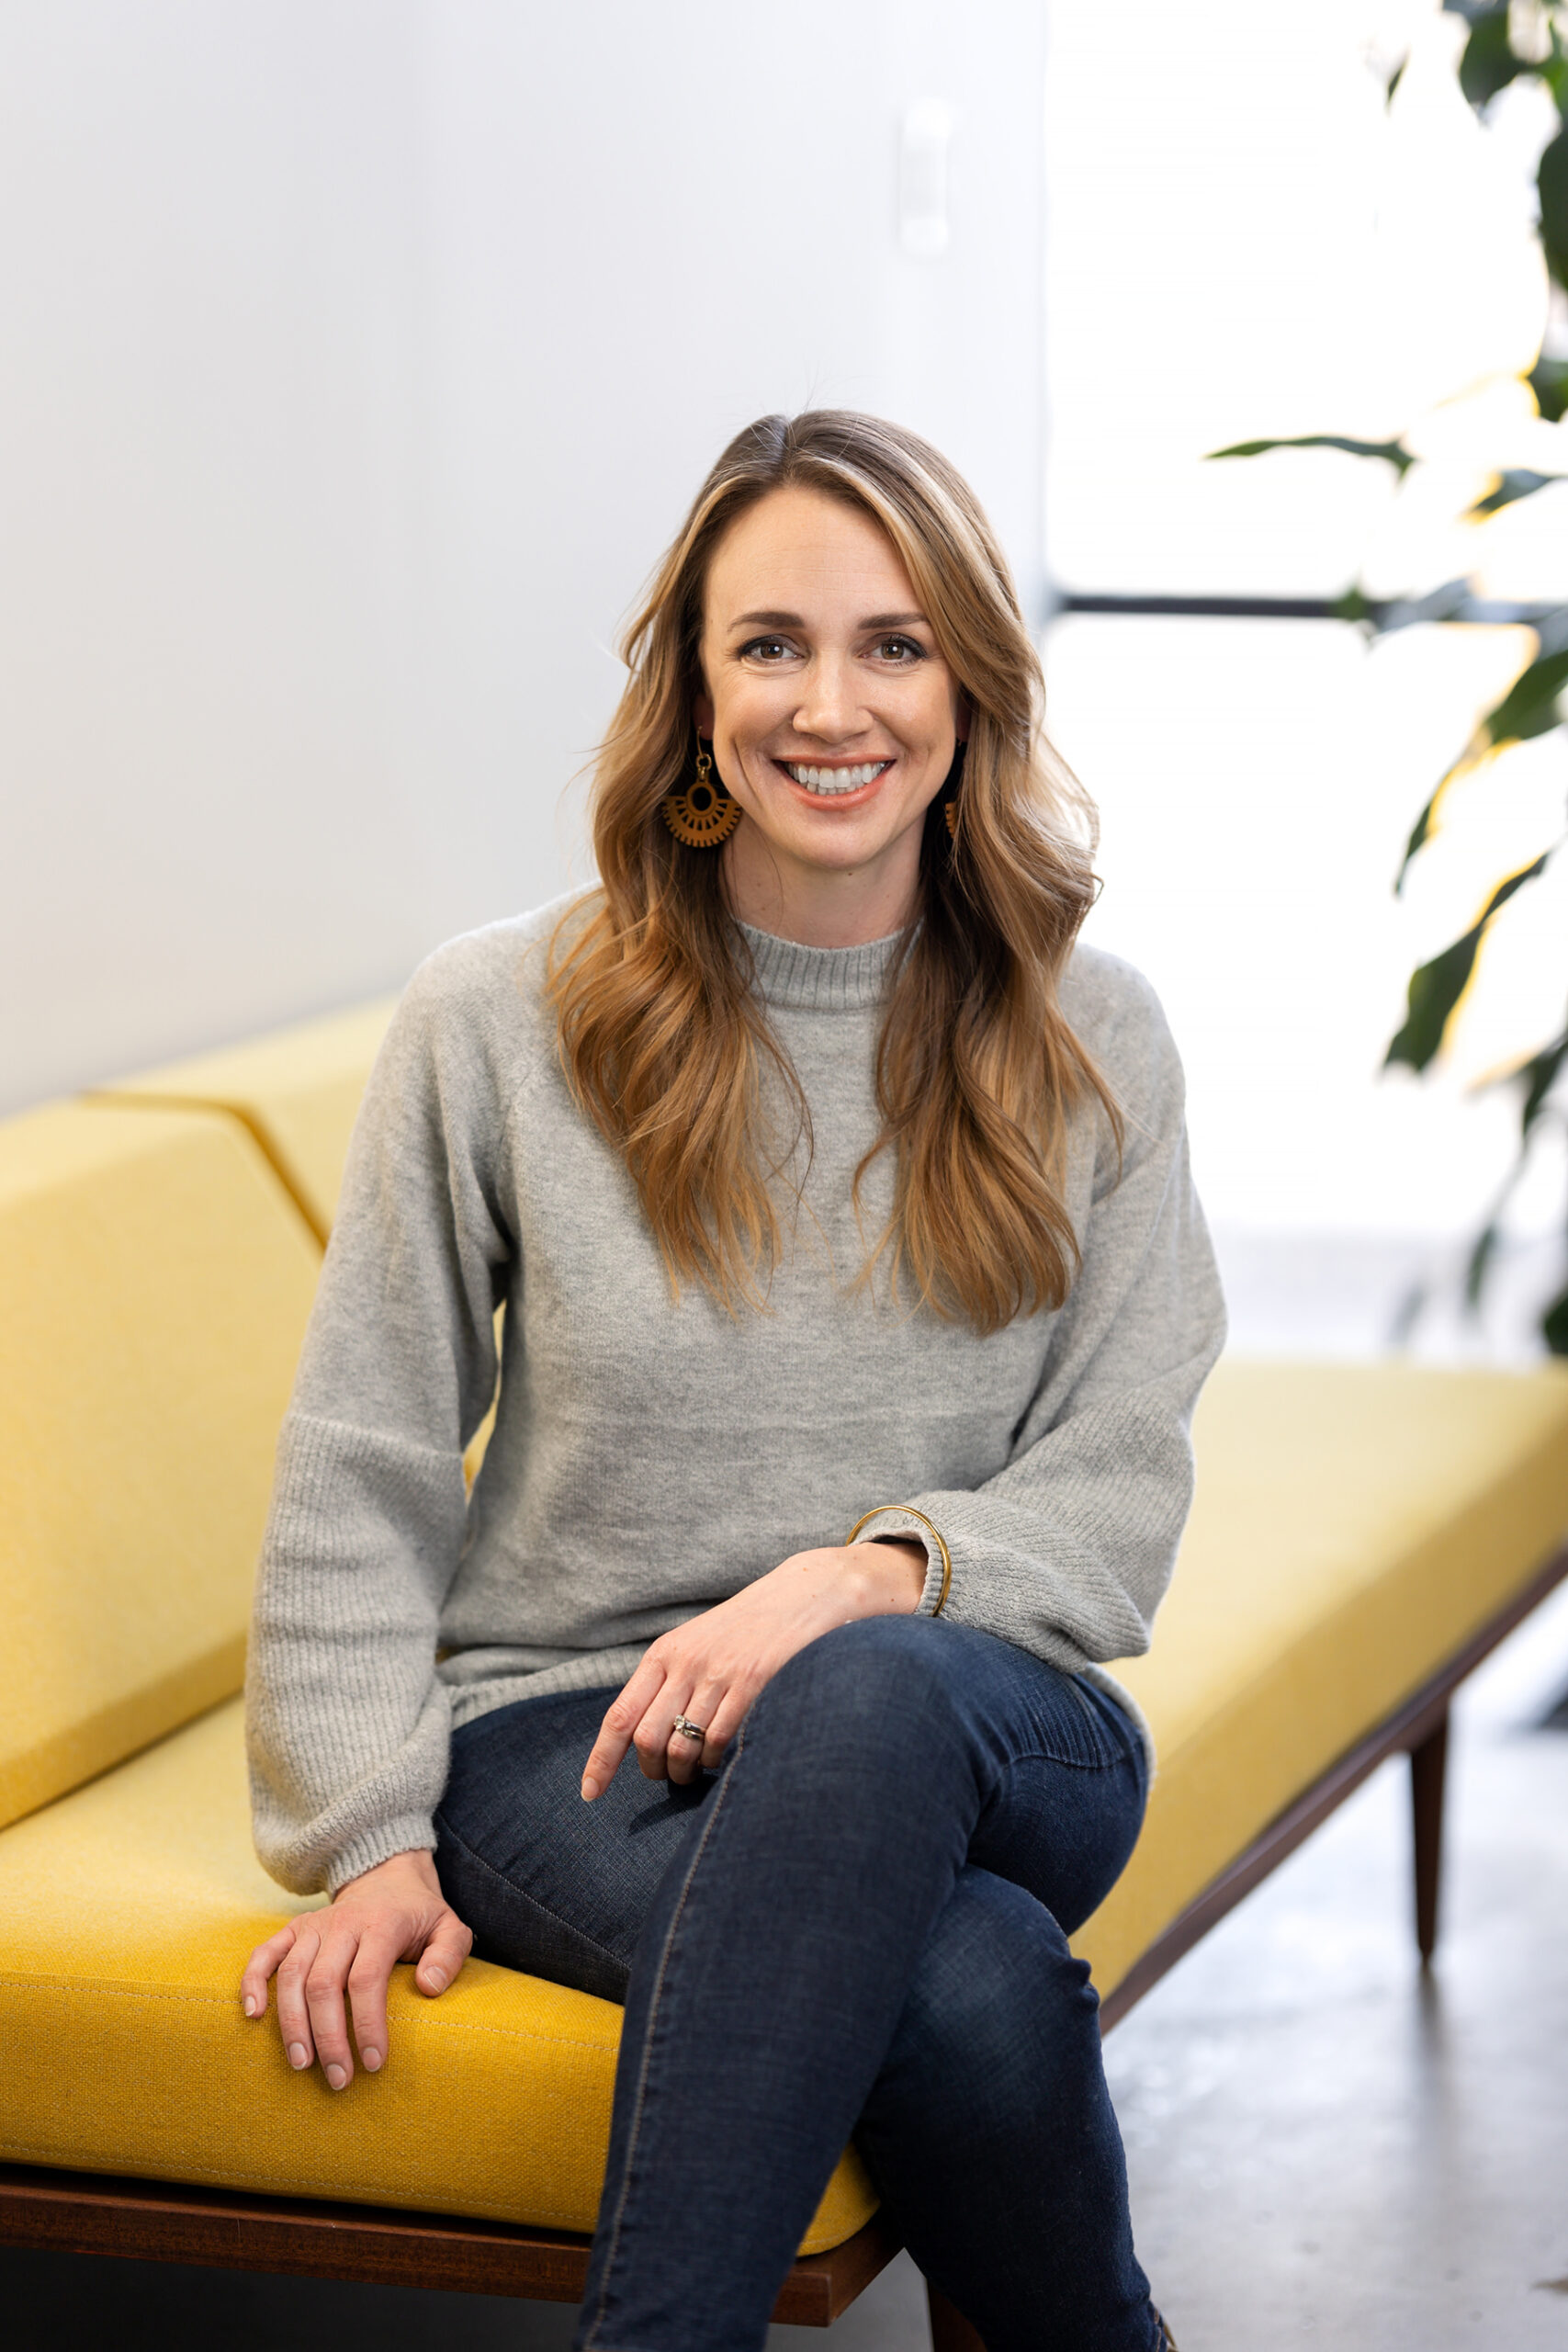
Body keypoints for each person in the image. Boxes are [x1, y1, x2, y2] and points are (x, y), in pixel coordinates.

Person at [240, 409, 1224, 2352]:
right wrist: (362, 1827)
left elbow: (1117, 1482)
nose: (828, 702)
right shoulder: (501, 1019)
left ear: (968, 682)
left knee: (862, 1691)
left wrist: (852, 1578)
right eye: (768, 643)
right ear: (691, 692)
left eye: (892, 642)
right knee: (966, 1988)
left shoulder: (1091, 1035)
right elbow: (362, 1457)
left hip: (986, 1720)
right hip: (572, 1736)